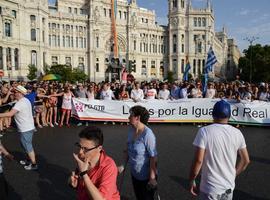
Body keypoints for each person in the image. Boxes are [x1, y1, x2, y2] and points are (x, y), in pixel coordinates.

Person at [189, 100, 250, 200]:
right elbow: (246, 160)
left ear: (213, 114)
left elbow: (198, 160)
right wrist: (233, 174)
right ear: (229, 115)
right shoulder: (237, 132)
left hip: (210, 188)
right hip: (228, 187)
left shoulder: (204, 131)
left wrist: (192, 180)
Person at [69, 126, 120, 200]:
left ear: (99, 148)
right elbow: (78, 178)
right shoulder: (83, 158)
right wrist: (72, 182)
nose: (80, 152)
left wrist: (84, 174)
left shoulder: (109, 167)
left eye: (85, 149)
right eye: (79, 146)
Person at [123, 105, 158, 200]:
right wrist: (122, 165)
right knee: (139, 196)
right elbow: (128, 149)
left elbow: (153, 157)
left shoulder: (148, 134)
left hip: (146, 177)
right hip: (135, 173)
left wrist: (152, 178)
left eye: (131, 115)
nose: (128, 117)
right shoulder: (131, 129)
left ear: (137, 118)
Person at [0, 85, 38, 170]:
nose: (13, 93)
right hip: (27, 127)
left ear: (20, 93)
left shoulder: (20, 103)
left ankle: (34, 164)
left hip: (26, 128)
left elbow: (10, 114)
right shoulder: (24, 100)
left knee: (28, 146)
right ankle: (28, 160)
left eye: (15, 92)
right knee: (24, 145)